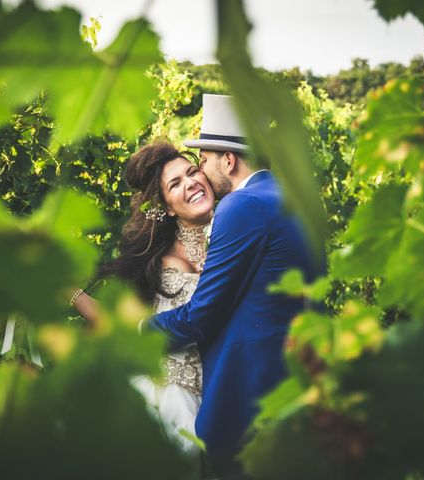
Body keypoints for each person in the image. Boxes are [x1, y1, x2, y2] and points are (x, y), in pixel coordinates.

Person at [147, 94, 317, 478]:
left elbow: (202, 316)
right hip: (299, 389)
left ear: (229, 159)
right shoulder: (301, 202)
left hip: (249, 401)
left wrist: (144, 329)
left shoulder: (241, 207)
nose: (202, 172)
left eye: (204, 160)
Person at [71, 142, 215, 460]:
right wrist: (71, 294)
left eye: (192, 172)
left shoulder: (228, 238)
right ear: (166, 208)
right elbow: (118, 323)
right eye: (175, 183)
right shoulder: (153, 260)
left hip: (214, 398)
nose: (190, 182)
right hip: (167, 398)